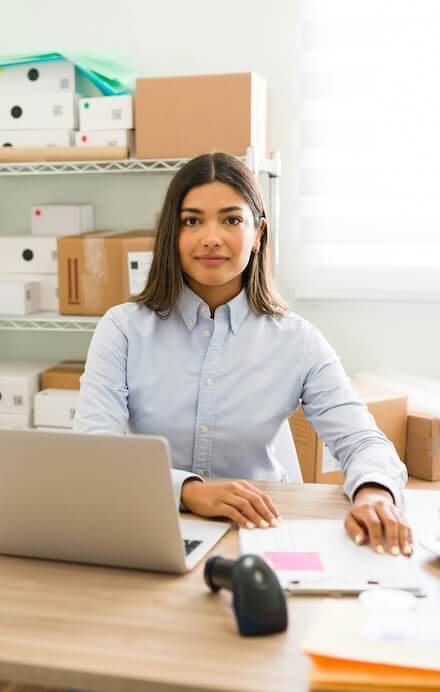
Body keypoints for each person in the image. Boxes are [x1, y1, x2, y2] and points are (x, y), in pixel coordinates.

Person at [73, 152, 412, 557]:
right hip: (157, 528)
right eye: (192, 221)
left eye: (232, 220)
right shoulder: (123, 329)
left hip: (265, 530)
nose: (211, 237)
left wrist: (374, 493)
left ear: (258, 233)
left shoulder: (297, 340)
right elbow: (95, 453)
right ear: (171, 234)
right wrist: (190, 491)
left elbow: (363, 441)